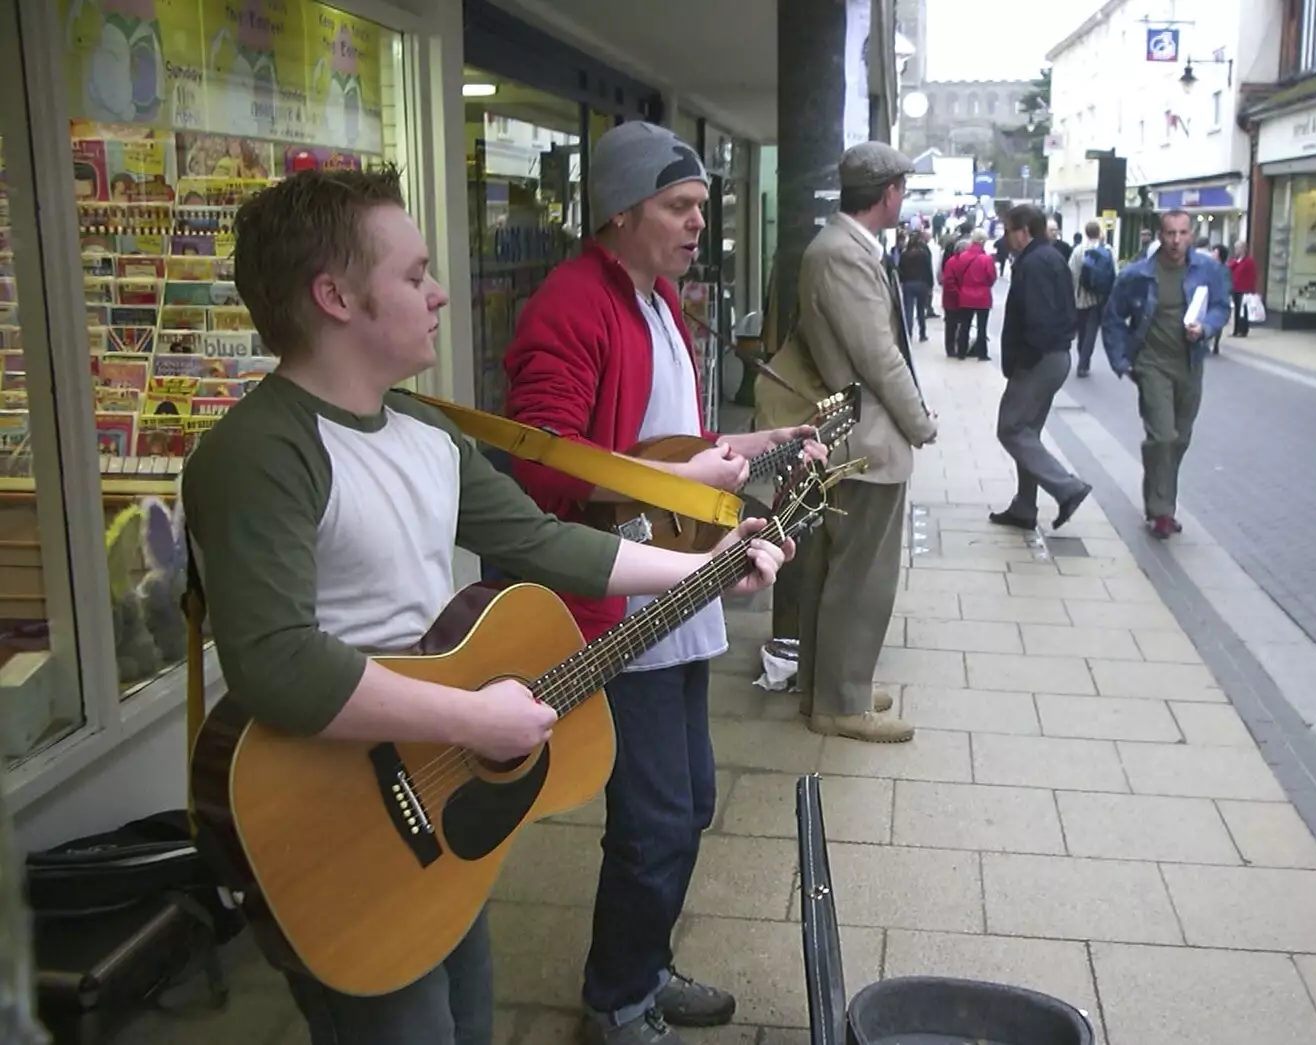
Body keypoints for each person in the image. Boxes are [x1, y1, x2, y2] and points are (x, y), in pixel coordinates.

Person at [182, 167, 791, 1045]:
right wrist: (473, 714)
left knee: (467, 1017)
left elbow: (545, 543)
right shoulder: (261, 452)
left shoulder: (426, 432)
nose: (438, 294)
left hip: (433, 786)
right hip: (333, 814)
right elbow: (278, 666)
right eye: (414, 273)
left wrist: (706, 564)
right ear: (334, 296)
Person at [498, 122, 816, 1045]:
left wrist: (761, 450)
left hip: (674, 592)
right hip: (616, 602)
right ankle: (617, 1001)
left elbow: (678, 448)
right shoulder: (571, 304)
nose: (695, 226)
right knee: (656, 815)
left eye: (701, 210)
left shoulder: (657, 300)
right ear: (621, 209)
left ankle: (641, 964)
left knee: (691, 802)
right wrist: (690, 481)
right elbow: (547, 468)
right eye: (679, 208)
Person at [758, 141, 937, 744]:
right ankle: (839, 702)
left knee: (835, 572)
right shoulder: (842, 254)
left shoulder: (839, 248)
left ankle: (833, 686)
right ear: (889, 194)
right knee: (861, 579)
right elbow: (879, 359)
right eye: (903, 190)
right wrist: (920, 423)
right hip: (865, 439)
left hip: (850, 432)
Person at [1102, 209, 1231, 539]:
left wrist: (1205, 328)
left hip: (1189, 364)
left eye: (1183, 233)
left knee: (1179, 440)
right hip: (1151, 364)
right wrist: (1121, 360)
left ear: (1191, 235)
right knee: (1162, 436)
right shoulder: (1138, 274)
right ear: (1160, 235)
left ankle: (1163, 501)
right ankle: (1160, 511)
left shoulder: (1207, 269)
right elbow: (1113, 317)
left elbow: (1221, 306)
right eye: (1170, 233)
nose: (1176, 241)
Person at [988, 204, 1094, 531]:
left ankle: (1067, 487)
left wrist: (1023, 362)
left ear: (1024, 231)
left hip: (1040, 358)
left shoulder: (1033, 263)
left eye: (1008, 231)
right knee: (1028, 431)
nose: (1005, 238)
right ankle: (1024, 505)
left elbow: (1038, 318)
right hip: (1054, 355)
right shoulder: (1051, 257)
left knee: (1011, 428)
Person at [1068, 219, 1116, 377]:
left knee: (1082, 331)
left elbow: (1072, 273)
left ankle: (1082, 355)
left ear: (1086, 232)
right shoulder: (1107, 250)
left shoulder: (1078, 250)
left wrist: (1073, 292)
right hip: (1099, 298)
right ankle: (1084, 364)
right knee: (1091, 331)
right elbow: (1114, 274)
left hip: (1081, 298)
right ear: (1099, 232)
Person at [952, 230, 997, 360]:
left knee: (964, 325)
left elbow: (957, 275)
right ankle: (982, 354)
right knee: (982, 327)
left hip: (965, 295)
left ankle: (961, 352)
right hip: (983, 296)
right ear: (982, 242)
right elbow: (991, 277)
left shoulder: (963, 256)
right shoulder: (986, 259)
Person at [897, 227, 935, 343]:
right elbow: (929, 269)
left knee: (908, 310)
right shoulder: (924, 254)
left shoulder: (905, 255)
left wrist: (902, 282)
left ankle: (908, 333)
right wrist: (930, 285)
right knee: (920, 310)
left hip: (909, 284)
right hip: (922, 283)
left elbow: (900, 270)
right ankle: (922, 333)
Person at [1227, 240, 1256, 338]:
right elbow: (1229, 267)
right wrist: (1236, 261)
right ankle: (1235, 330)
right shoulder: (1234, 260)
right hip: (1235, 288)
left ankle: (1243, 330)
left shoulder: (1248, 261)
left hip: (1244, 289)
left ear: (1244, 249)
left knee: (1243, 311)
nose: (1236, 250)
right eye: (1236, 248)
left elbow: (1252, 275)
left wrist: (1251, 290)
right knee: (1236, 310)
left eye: (1239, 248)